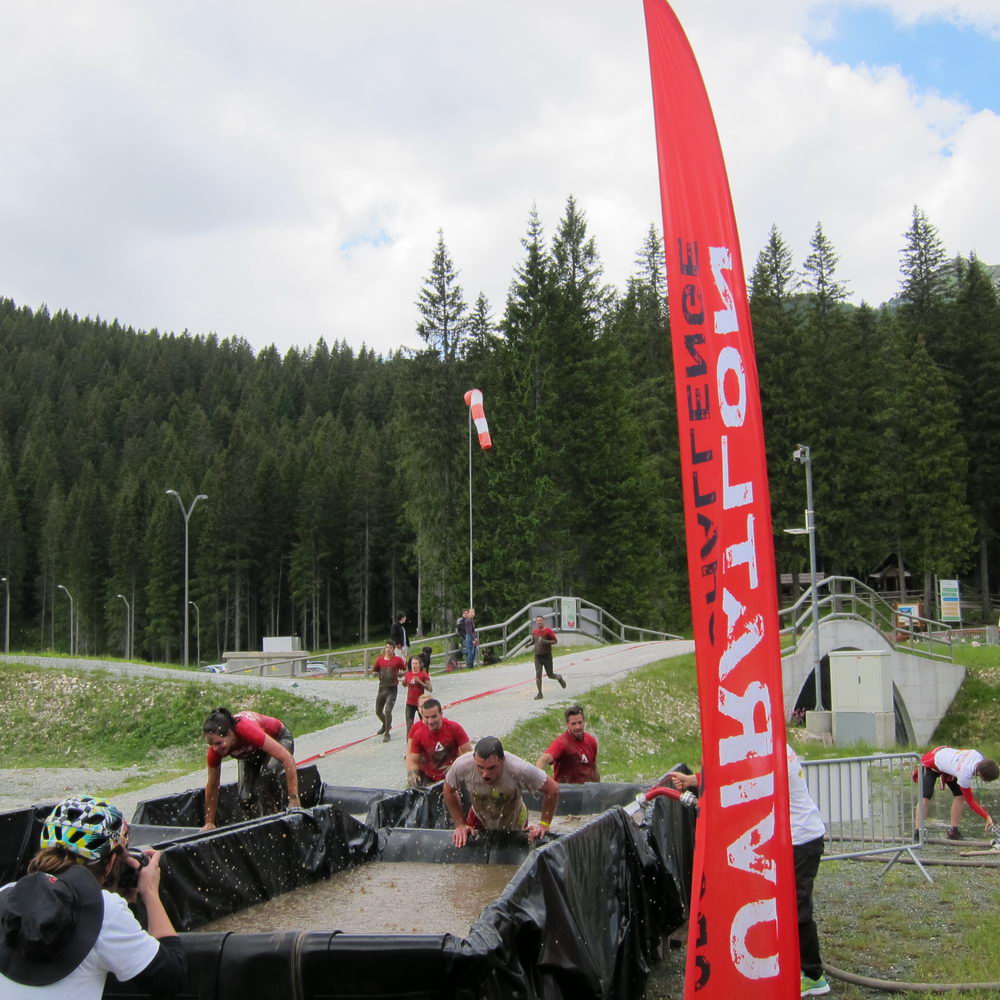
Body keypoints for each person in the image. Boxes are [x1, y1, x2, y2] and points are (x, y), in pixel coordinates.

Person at [667, 745, 830, 997]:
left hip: (801, 840)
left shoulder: (771, 753)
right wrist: (692, 780)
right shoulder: (771, 745)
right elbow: (736, 774)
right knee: (784, 906)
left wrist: (707, 799)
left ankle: (813, 975)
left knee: (797, 908)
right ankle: (795, 966)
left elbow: (744, 785)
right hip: (792, 839)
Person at [0, 795, 186, 998]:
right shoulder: (105, 910)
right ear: (111, 862)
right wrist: (149, 892)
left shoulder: (6, 894)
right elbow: (171, 978)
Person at [444, 736, 559, 847]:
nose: (485, 774)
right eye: (480, 767)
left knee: (513, 855)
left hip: (515, 818)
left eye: (492, 768)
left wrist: (544, 824)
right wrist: (460, 824)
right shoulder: (462, 765)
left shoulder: (518, 768)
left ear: (502, 760)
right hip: (479, 817)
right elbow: (448, 790)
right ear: (474, 759)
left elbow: (553, 788)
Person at [201, 707, 300, 829]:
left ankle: (281, 816)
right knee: (245, 798)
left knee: (268, 774)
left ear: (231, 734)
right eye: (211, 745)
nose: (215, 749)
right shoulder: (215, 751)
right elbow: (212, 785)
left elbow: (287, 758)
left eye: (218, 743)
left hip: (279, 738)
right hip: (251, 752)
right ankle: (261, 828)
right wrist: (209, 822)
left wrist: (294, 799)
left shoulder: (247, 730)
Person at [915, 745, 998, 839]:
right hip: (931, 761)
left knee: (960, 795)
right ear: (981, 775)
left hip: (951, 763)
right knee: (925, 797)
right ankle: (918, 833)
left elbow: (987, 766)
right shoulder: (964, 775)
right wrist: (986, 816)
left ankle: (953, 831)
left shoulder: (979, 755)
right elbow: (971, 802)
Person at [406, 698, 472, 787]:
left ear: (441, 714)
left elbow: (468, 754)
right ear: (422, 716)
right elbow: (413, 761)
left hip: (454, 774)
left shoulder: (454, 728)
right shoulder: (418, 734)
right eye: (427, 717)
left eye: (434, 717)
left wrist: (455, 767)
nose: (430, 721)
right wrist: (413, 774)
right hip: (430, 777)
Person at [536, 705, 600, 783]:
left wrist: (598, 786)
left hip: (584, 789)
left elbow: (593, 768)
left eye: (580, 722)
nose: (577, 727)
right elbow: (543, 759)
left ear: (584, 722)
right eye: (573, 724)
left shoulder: (591, 741)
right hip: (564, 788)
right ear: (567, 724)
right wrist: (537, 781)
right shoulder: (561, 743)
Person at [369, 641, 405, 742]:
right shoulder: (379, 660)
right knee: (378, 711)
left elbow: (405, 669)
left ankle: (387, 733)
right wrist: (375, 674)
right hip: (382, 688)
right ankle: (386, 725)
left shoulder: (398, 660)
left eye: (390, 648)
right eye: (387, 647)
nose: (388, 649)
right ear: (384, 649)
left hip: (392, 689)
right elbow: (374, 671)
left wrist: (402, 675)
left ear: (394, 649)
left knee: (388, 710)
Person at [531, 614, 566, 699]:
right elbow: (534, 641)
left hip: (547, 656)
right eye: (537, 621)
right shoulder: (534, 631)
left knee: (550, 675)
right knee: (538, 674)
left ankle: (559, 678)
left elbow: (555, 641)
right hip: (538, 657)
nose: (539, 622)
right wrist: (528, 644)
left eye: (540, 620)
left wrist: (545, 641)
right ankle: (540, 694)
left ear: (543, 621)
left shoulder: (548, 631)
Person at [403, 654, 433, 737]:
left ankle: (427, 739)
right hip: (409, 703)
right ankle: (409, 743)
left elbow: (430, 689)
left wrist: (420, 682)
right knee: (409, 726)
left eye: (416, 663)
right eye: (413, 663)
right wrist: (403, 682)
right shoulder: (408, 674)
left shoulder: (423, 675)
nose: (414, 665)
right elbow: (405, 684)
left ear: (420, 665)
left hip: (421, 704)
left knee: (424, 724)